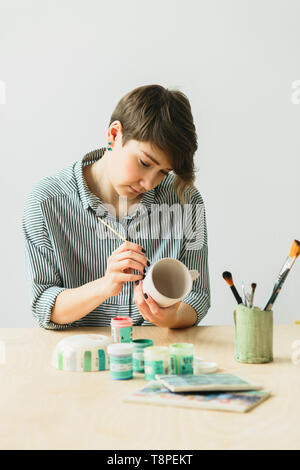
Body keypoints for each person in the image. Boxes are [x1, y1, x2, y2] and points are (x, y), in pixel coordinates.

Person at [22, 84, 210, 330]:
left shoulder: (185, 200)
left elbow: (198, 296)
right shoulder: (46, 203)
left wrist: (172, 317)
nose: (149, 182)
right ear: (114, 135)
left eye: (163, 172)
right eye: (144, 162)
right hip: (82, 356)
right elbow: (43, 304)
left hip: (157, 357)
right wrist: (105, 286)